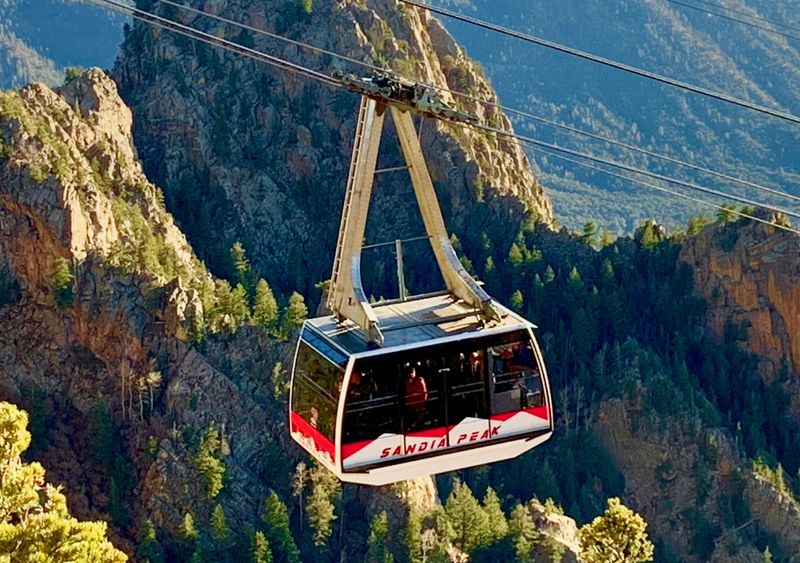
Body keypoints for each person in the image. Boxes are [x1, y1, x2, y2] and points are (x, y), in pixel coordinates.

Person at [404, 365, 428, 429]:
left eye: (412, 372)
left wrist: (422, 403)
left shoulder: (419, 379)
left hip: (419, 403)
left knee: (419, 416)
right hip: (410, 405)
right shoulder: (406, 381)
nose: (411, 374)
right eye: (409, 372)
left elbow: (424, 392)